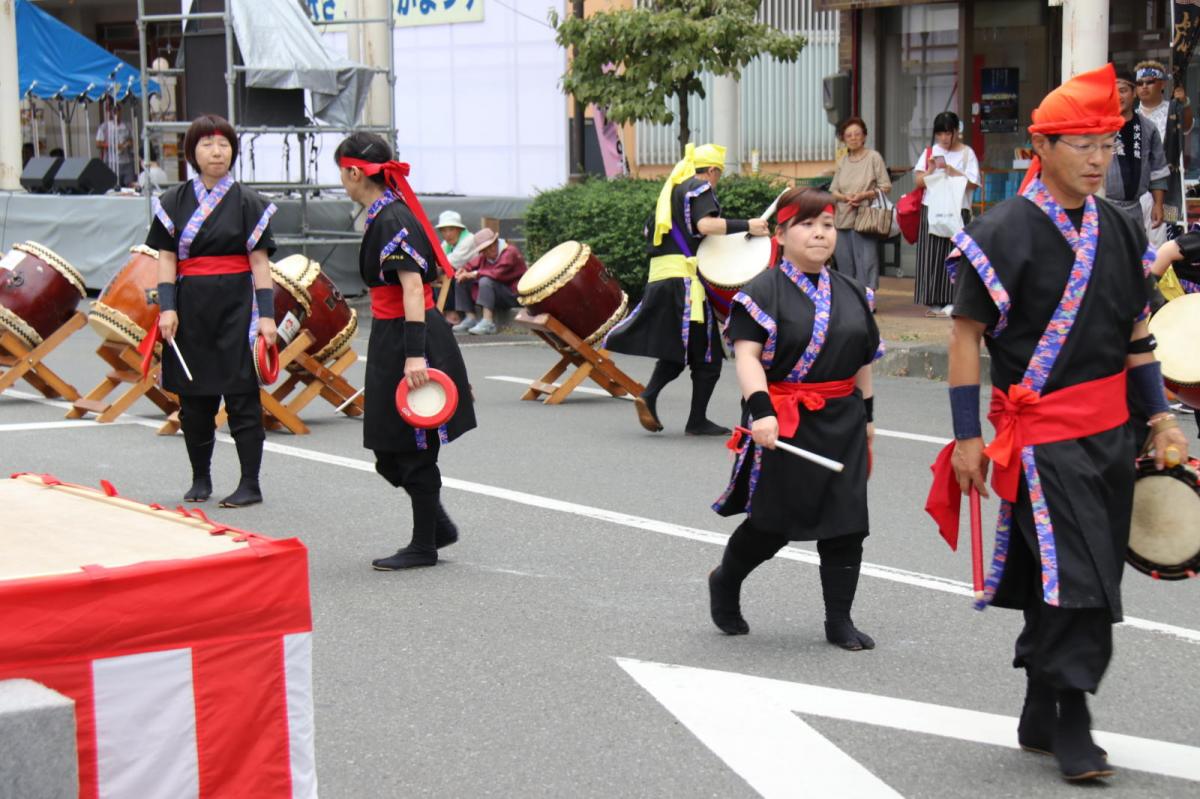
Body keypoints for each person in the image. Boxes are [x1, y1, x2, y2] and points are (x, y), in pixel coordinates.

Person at [929, 64, 1190, 782]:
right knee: (1076, 575)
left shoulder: (1119, 224)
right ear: (1040, 145)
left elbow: (1137, 334)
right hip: (1041, 437)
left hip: (1112, 434)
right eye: (1082, 144)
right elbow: (964, 340)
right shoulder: (1000, 229)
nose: (1098, 158)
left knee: (1088, 571)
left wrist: (1162, 418)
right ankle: (1075, 718)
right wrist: (966, 436)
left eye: (1106, 144)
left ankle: (1040, 706)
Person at [708, 187, 881, 651]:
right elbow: (746, 357)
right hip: (784, 421)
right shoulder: (760, 292)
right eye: (807, 225)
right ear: (780, 235)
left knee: (848, 522)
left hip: (841, 418)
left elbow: (863, 359)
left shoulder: (854, 293)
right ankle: (725, 580)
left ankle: (838, 620)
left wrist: (867, 418)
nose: (820, 234)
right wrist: (761, 411)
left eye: (827, 225)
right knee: (773, 525)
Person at [335, 132, 476, 570]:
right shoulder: (386, 213)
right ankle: (436, 526)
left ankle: (424, 544)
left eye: (342, 173)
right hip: (393, 333)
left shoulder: (392, 218)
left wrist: (415, 355)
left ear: (354, 171)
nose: (342, 181)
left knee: (413, 444)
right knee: (387, 445)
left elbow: (414, 287)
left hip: (409, 336)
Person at [147, 114, 279, 508]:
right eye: (207, 144)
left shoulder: (248, 202)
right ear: (192, 152)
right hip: (191, 307)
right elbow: (166, 260)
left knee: (242, 397)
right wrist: (167, 308)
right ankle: (200, 477)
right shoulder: (173, 201)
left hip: (240, 306)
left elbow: (259, 264)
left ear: (233, 151)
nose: (216, 152)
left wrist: (268, 316)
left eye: (223, 144)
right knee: (194, 400)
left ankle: (250, 483)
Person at [604, 142, 770, 435]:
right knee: (706, 356)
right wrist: (748, 225)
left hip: (663, 281)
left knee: (680, 350)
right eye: (718, 175)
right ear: (712, 170)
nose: (716, 181)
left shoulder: (669, 195)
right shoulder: (698, 187)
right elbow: (706, 225)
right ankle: (689, 417)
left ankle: (654, 397)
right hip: (685, 285)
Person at [912, 112, 980, 317]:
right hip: (933, 209)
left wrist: (954, 171)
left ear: (956, 132)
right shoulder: (930, 152)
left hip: (958, 209)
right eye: (940, 134)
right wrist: (931, 169)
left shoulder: (967, 153)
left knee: (956, 253)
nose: (944, 138)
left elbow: (973, 183)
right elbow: (918, 182)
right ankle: (934, 301)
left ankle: (954, 299)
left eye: (948, 133)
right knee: (931, 255)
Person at [1105, 67, 1169, 235]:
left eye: (1123, 91)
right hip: (1104, 208)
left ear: (1134, 93)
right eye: (1113, 92)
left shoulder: (1148, 128)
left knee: (1136, 258)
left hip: (1135, 210)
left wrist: (1158, 205)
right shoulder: (1100, 127)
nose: (1118, 97)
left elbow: (1158, 171)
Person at [829, 117, 891, 290]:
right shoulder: (843, 161)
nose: (853, 138)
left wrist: (863, 195)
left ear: (864, 136)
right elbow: (833, 190)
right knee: (844, 261)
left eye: (857, 134)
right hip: (843, 217)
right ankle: (850, 298)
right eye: (849, 135)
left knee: (867, 261)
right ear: (844, 139)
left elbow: (886, 186)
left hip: (866, 217)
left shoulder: (873, 157)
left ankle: (868, 297)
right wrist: (844, 198)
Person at [1134, 60, 1193, 241]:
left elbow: (1187, 126)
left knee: (1162, 247)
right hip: (1136, 189)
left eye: (1150, 82)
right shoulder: (1131, 115)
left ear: (1162, 84)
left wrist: (1185, 103)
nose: (1144, 87)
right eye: (1139, 83)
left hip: (1167, 188)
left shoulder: (1172, 110)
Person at [452, 228, 526, 335]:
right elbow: (471, 264)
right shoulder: (485, 256)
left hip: (513, 295)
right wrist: (464, 270)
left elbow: (496, 273)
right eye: (485, 249)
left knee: (485, 280)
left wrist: (473, 274)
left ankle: (488, 322)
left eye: (492, 245)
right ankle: (470, 319)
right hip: (497, 293)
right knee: (461, 280)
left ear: (496, 241)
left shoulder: (510, 252)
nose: (490, 250)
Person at [435, 210, 475, 324]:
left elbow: (450, 263)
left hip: (472, 278)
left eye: (451, 229)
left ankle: (452, 314)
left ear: (459, 229)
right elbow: (438, 260)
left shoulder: (468, 240)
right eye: (443, 230)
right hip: (459, 276)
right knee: (433, 275)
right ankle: (441, 312)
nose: (447, 234)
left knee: (446, 274)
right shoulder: (446, 243)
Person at [96, 100, 135, 187]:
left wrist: (127, 144)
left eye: (118, 110)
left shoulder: (127, 125)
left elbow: (132, 140)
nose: (116, 113)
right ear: (110, 112)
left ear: (121, 111)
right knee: (114, 185)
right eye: (114, 111)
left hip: (126, 161)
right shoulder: (104, 127)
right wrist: (112, 146)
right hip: (111, 162)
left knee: (130, 184)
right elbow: (98, 143)